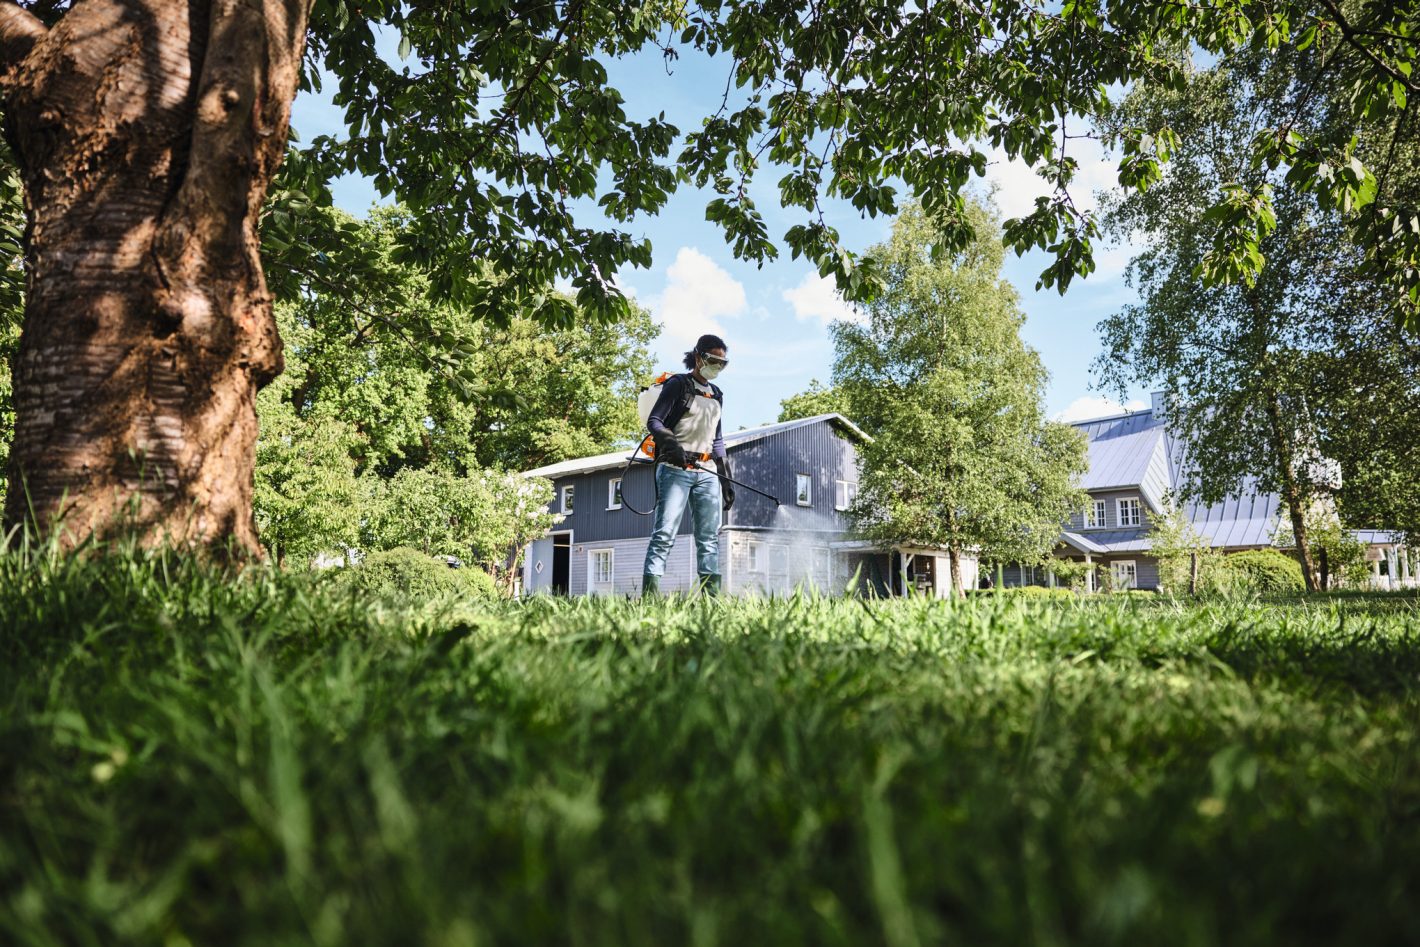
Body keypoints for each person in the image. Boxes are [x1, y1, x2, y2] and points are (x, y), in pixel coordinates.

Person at [642, 334, 735, 596]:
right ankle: (650, 597)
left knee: (709, 538)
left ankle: (711, 599)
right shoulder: (678, 385)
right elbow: (655, 421)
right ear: (699, 357)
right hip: (675, 470)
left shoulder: (717, 394)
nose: (717, 366)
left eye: (722, 363)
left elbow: (717, 440)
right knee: (664, 534)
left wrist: (724, 479)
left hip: (706, 473)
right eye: (713, 360)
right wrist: (671, 445)